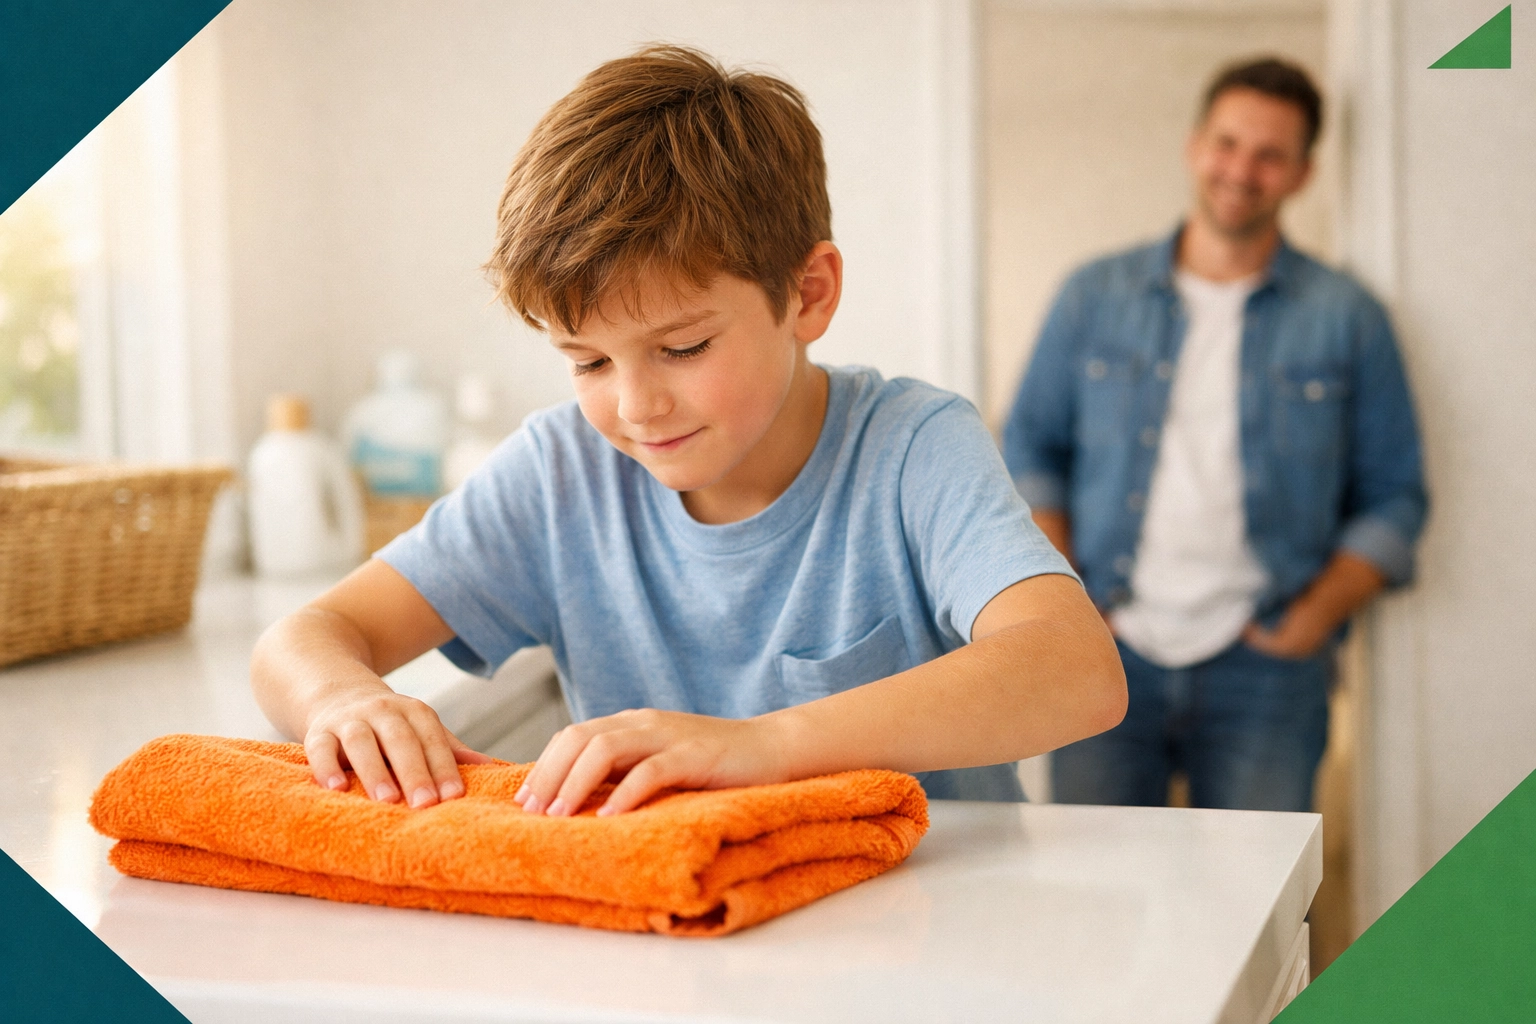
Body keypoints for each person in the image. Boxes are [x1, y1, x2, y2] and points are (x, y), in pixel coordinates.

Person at [252, 45, 1125, 818]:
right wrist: (339, 699)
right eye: (588, 362)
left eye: (682, 346)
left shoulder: (912, 447)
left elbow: (1077, 670)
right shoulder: (561, 472)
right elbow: (305, 636)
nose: (634, 405)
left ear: (808, 294)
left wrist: (764, 746)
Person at [1001, 57, 1426, 812]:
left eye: (1271, 155)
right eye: (1228, 144)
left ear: (1302, 173)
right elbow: (1029, 448)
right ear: (1196, 146)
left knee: (1254, 909)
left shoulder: (1345, 315)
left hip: (1266, 665)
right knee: (1094, 897)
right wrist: (1067, 602)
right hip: (1107, 647)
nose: (1243, 170)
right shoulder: (1092, 295)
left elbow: (1396, 494)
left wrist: (1316, 616)